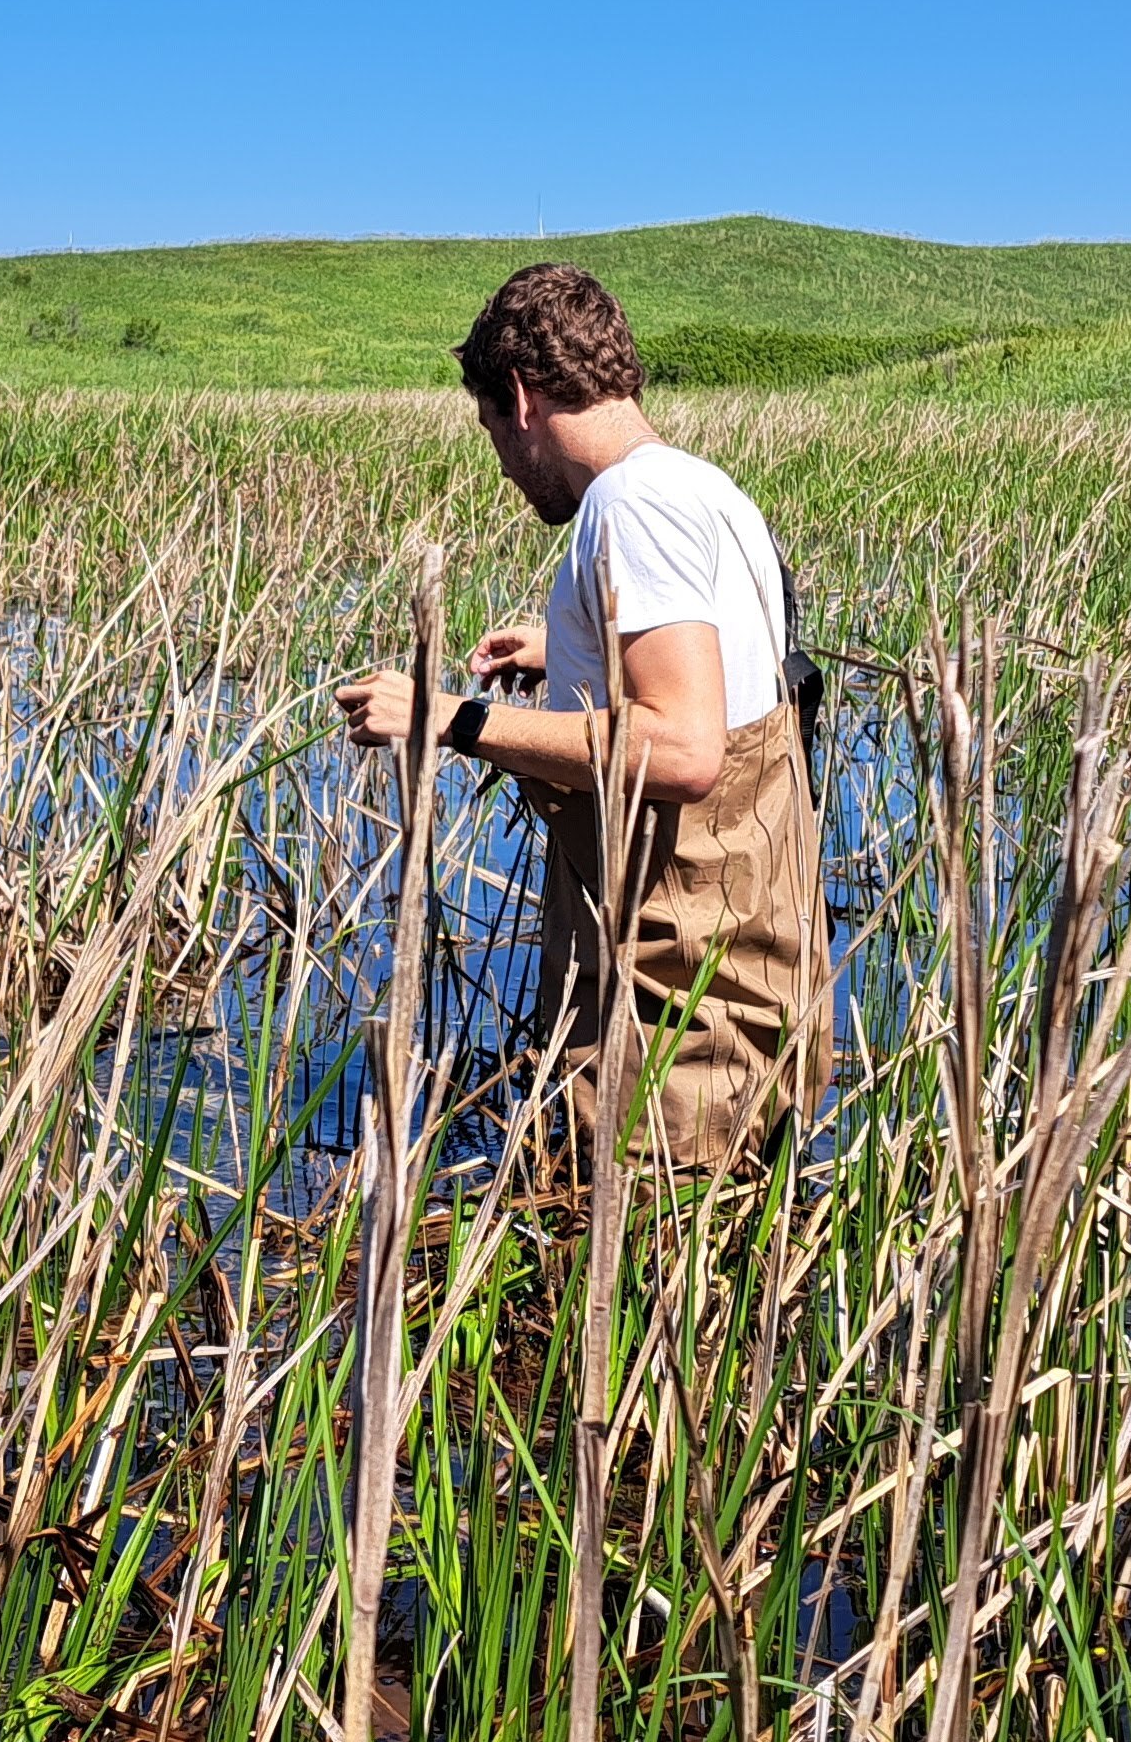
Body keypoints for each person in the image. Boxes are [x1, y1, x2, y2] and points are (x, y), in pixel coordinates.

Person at [336, 264, 825, 1174]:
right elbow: (731, 673)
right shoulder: (699, 487)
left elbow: (681, 749)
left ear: (519, 396)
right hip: (738, 980)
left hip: (680, 1024)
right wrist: (566, 653)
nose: (500, 463)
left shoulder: (628, 506)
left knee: (648, 1287)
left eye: (489, 428)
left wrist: (452, 720)